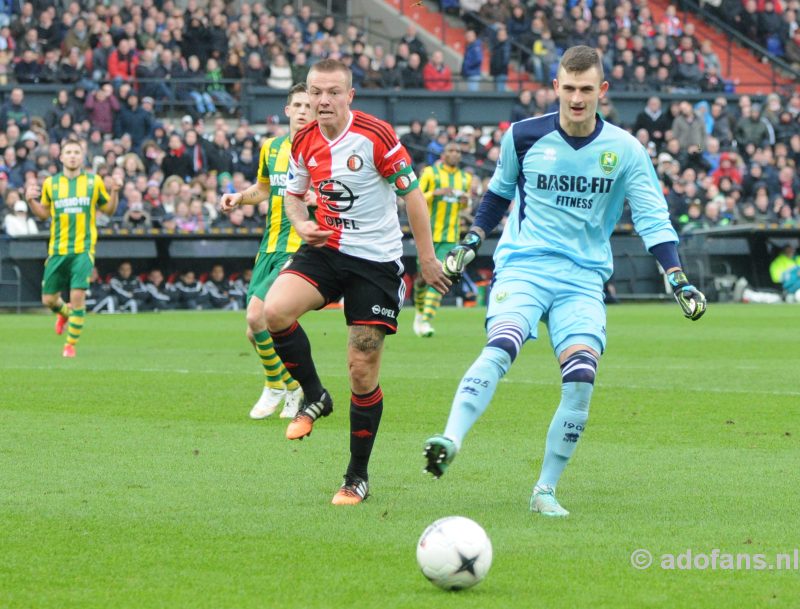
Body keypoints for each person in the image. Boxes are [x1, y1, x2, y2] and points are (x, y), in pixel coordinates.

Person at [422, 46, 707, 517]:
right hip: (525, 268)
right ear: (555, 87)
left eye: (586, 89)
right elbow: (498, 194)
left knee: (580, 379)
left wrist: (677, 278)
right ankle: (450, 438)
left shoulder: (626, 150)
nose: (577, 98)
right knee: (503, 345)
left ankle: (545, 491)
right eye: (569, 88)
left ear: (602, 92)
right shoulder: (522, 136)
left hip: (583, 279)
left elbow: (653, 220)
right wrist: (472, 239)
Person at [225, 59, 450, 506]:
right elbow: (291, 195)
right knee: (272, 311)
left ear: (350, 96)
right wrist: (302, 223)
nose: (322, 100)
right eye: (315, 92)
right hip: (326, 247)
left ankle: (356, 476)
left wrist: (426, 258)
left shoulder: (376, 136)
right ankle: (314, 395)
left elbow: (412, 196)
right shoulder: (302, 141)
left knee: (361, 368)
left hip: (375, 261)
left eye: (332, 92)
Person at [219, 84, 311, 420]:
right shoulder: (271, 148)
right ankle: (293, 385)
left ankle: (275, 385)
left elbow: (337, 197)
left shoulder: (322, 151)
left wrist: (318, 200)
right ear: (287, 111)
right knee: (254, 332)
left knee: (256, 317)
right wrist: (238, 198)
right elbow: (262, 189)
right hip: (269, 246)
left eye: (308, 105)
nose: (303, 110)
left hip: (300, 248)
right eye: (297, 105)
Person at [25, 136, 121, 357]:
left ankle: (70, 345)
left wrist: (115, 191)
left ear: (82, 156)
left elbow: (108, 211)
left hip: (83, 249)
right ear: (61, 156)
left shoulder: (93, 181)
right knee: (48, 299)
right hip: (57, 249)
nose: (72, 156)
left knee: (77, 296)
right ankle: (64, 313)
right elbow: (44, 213)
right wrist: (31, 201)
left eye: (76, 152)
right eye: (68, 152)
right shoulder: (51, 183)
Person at [413, 142, 473, 337]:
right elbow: (416, 197)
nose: (455, 154)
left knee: (442, 275)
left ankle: (426, 320)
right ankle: (419, 314)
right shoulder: (431, 173)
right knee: (422, 280)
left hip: (450, 237)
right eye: (451, 150)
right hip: (427, 235)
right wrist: (435, 193)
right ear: (443, 154)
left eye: (458, 151)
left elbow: (466, 208)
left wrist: (466, 202)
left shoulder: (465, 178)